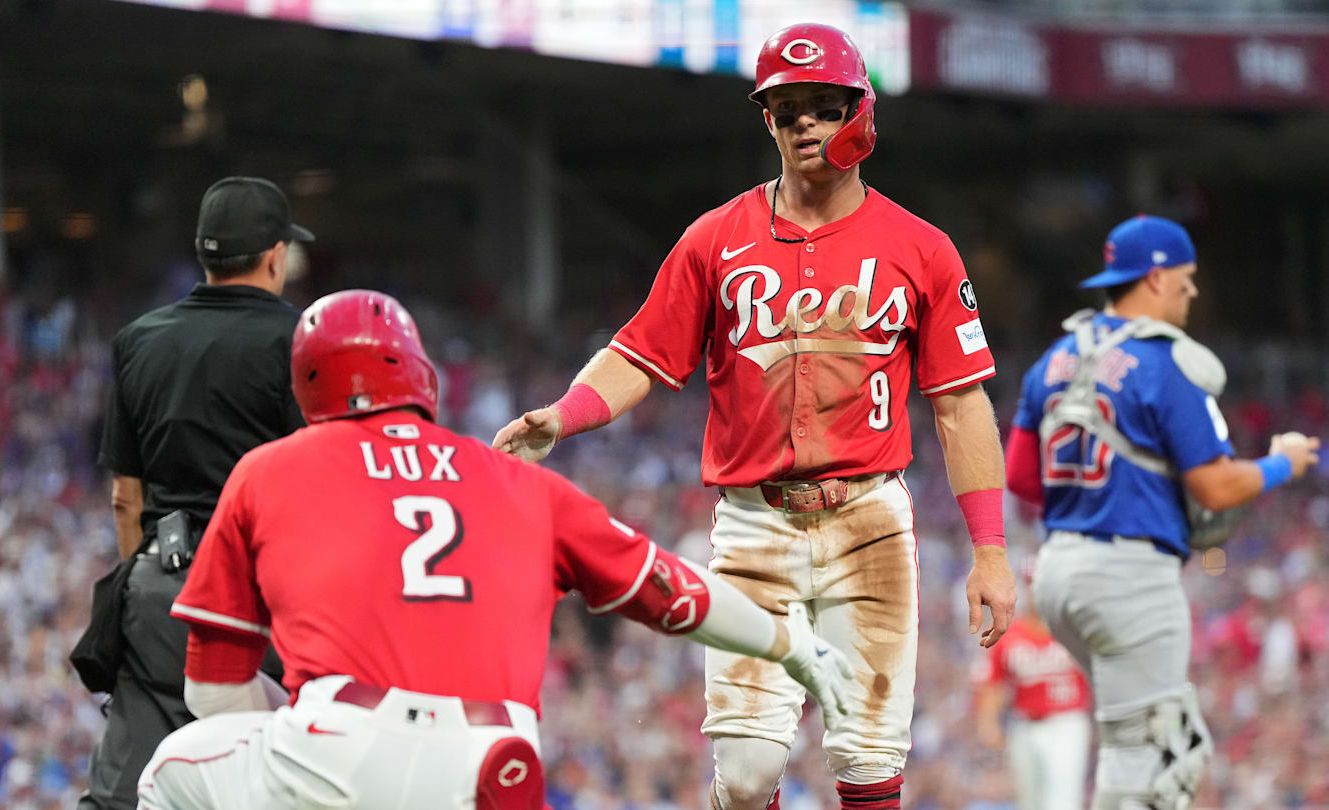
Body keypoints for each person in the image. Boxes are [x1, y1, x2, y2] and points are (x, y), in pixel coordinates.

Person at [492, 22, 1016, 810]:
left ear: (861, 112)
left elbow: (961, 404)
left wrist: (991, 550)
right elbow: (640, 353)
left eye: (824, 106)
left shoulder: (922, 248)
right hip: (753, 522)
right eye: (786, 108)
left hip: (869, 518)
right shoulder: (717, 237)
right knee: (744, 775)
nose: (805, 123)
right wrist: (564, 415)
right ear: (766, 120)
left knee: (871, 763)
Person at [134, 290, 861, 810]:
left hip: (341, 742)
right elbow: (671, 590)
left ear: (307, 388)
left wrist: (299, 723)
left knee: (170, 770)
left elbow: (213, 693)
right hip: (494, 755)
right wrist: (789, 642)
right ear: (420, 375)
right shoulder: (516, 479)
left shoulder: (270, 468)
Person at [1004, 214, 1321, 809]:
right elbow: (1217, 488)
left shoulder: (1054, 358)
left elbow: (1021, 477)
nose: (1192, 290)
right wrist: (1282, 462)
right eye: (1185, 277)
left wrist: (1097, 503)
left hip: (1058, 575)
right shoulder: (1164, 360)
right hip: (1128, 579)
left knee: (1134, 741)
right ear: (1155, 278)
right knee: (1158, 757)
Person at [78, 177, 313, 809]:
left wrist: (146, 584)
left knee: (121, 797)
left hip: (162, 584)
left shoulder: (139, 338)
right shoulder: (299, 340)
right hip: (262, 603)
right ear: (274, 256)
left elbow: (126, 497)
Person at [972, 560, 1091, 810]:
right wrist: (988, 722)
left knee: (1063, 802)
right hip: (1024, 725)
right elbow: (992, 682)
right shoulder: (1010, 634)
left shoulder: (1074, 629)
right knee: (1030, 803)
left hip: (1066, 723)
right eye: (1031, 586)